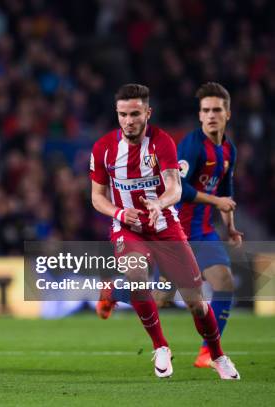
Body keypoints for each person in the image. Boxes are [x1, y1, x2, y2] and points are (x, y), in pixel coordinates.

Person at [90, 84, 239, 379]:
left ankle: (218, 355)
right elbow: (97, 197)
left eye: (135, 114)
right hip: (127, 228)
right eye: (122, 114)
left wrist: (159, 202)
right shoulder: (103, 148)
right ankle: (160, 346)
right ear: (116, 114)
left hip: (165, 226)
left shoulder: (164, 143)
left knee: (195, 302)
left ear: (148, 112)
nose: (129, 120)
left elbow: (175, 186)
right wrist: (119, 213)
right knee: (137, 276)